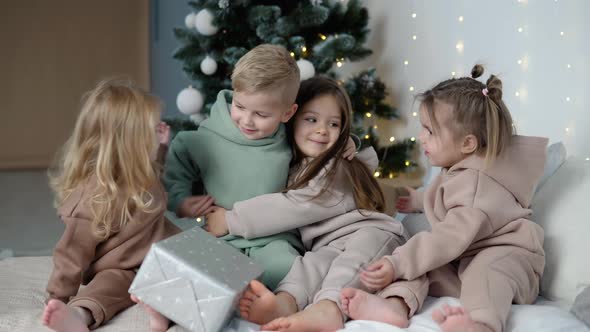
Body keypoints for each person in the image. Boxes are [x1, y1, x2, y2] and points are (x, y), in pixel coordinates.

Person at [340, 65, 547, 332]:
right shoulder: (459, 171)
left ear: (468, 144)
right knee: (419, 266)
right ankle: (395, 305)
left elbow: (449, 235)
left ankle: (480, 325)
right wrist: (418, 202)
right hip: (464, 259)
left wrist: (399, 261)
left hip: (510, 260)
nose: (420, 138)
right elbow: (449, 200)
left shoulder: (476, 183)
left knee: (483, 272)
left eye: (430, 131)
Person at [205, 76, 407, 332]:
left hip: (373, 234)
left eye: (333, 124)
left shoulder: (336, 167)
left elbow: (297, 205)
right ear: (291, 118)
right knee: (306, 268)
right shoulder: (290, 162)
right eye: (311, 120)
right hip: (328, 245)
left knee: (350, 265)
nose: (322, 130)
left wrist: (232, 220)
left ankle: (329, 308)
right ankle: (284, 304)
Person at [41, 79, 180, 332]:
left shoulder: (141, 170)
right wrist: (57, 298)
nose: (159, 130)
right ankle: (79, 315)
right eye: (152, 130)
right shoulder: (94, 199)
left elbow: (155, 173)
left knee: (195, 267)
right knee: (109, 288)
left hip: (161, 250)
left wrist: (160, 147)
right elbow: (70, 255)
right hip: (121, 266)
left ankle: (163, 312)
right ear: (129, 145)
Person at [163, 44, 304, 290]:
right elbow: (177, 171)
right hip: (219, 234)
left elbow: (324, 133)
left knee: (287, 267)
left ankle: (258, 302)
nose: (247, 120)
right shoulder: (206, 138)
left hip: (271, 238)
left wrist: (348, 144)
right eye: (239, 107)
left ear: (287, 113)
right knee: (189, 267)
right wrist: (181, 200)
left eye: (261, 114)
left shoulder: (293, 137)